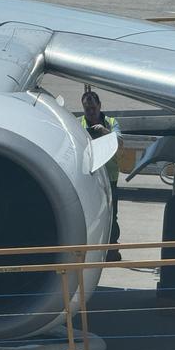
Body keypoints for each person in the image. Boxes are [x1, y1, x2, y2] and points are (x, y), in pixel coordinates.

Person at [79, 90, 123, 262]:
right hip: (89, 175)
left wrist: (104, 131)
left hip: (109, 176)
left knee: (112, 214)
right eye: (87, 109)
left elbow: (120, 142)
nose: (90, 112)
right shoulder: (78, 124)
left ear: (99, 106)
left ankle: (112, 247)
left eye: (93, 108)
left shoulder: (111, 123)